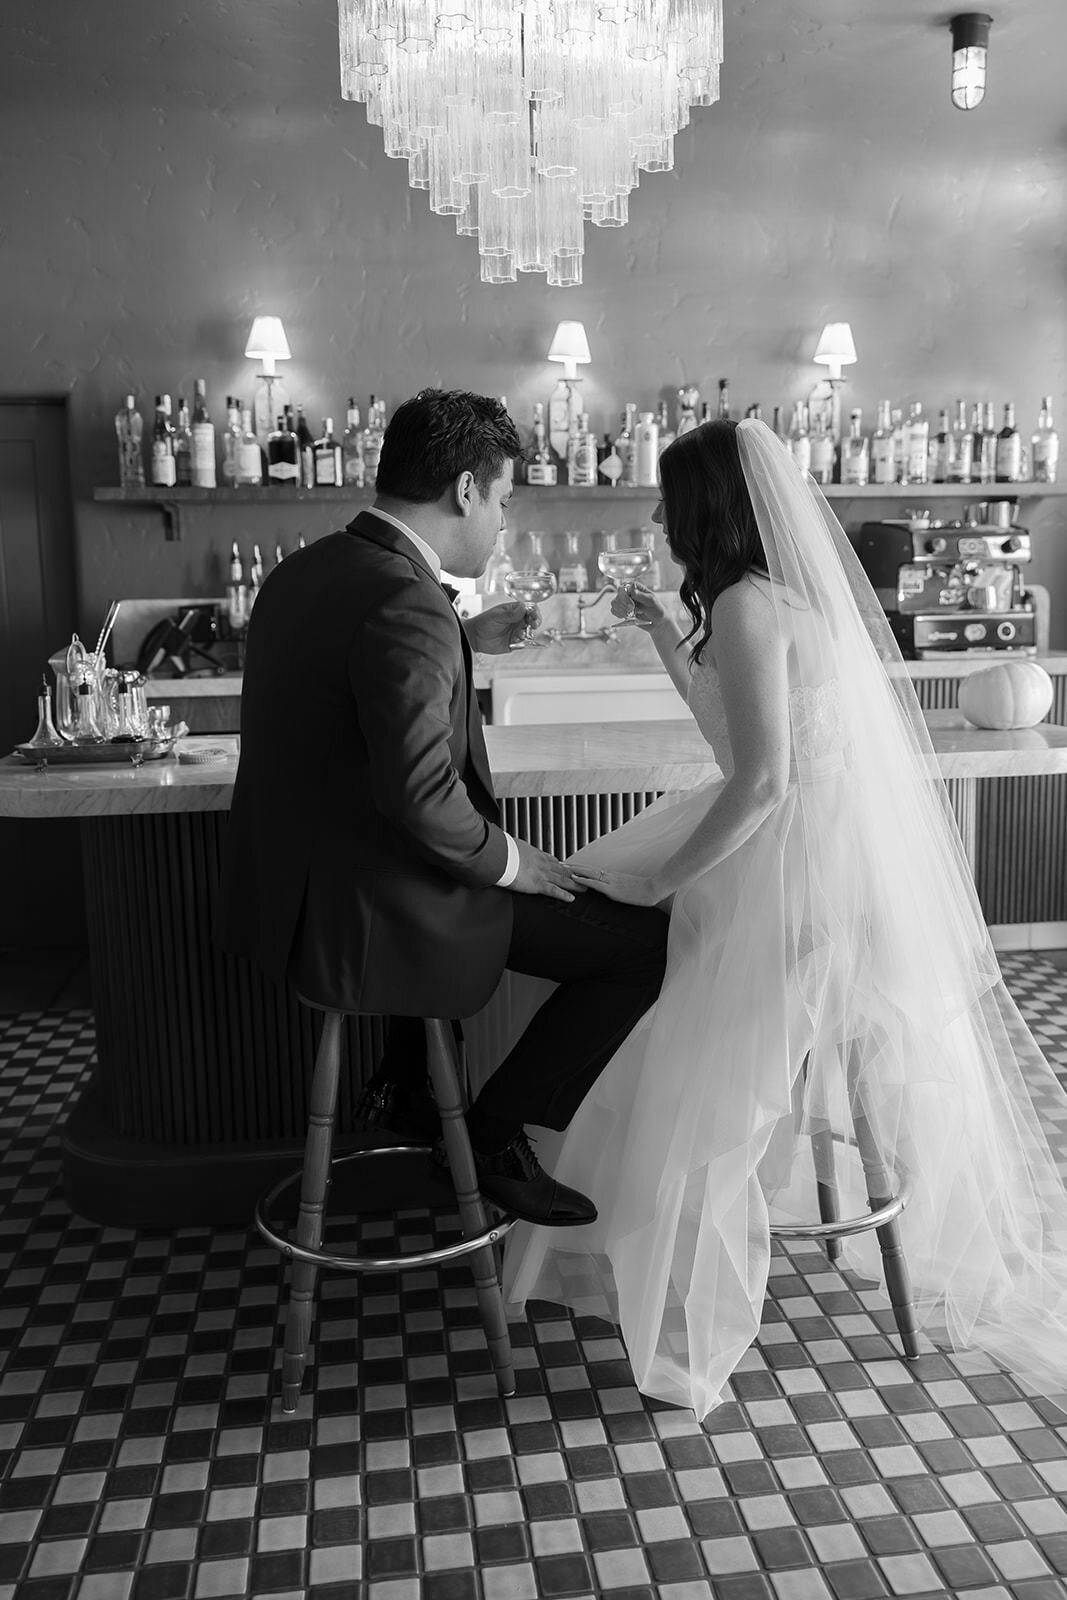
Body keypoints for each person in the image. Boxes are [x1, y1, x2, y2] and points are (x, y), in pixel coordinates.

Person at [503, 417, 1067, 1420]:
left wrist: (662, 879)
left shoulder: (744, 603)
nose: (660, 518)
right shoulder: (756, 599)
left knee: (671, 1017)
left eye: (668, 502)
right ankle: (603, 1209)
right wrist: (660, 636)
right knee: (643, 974)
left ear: (702, 510)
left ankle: (660, 1263)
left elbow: (759, 786)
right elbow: (732, 735)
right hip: (812, 851)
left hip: (796, 869)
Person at [217, 388, 669, 1228]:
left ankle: (411, 1082)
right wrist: (512, 860)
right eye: (501, 500)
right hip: (377, 915)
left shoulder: (305, 571)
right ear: (464, 489)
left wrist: (463, 634)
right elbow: (422, 798)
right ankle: (491, 1136)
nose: (500, 523)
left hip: (292, 901)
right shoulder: (409, 603)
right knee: (643, 948)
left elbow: (352, 674)